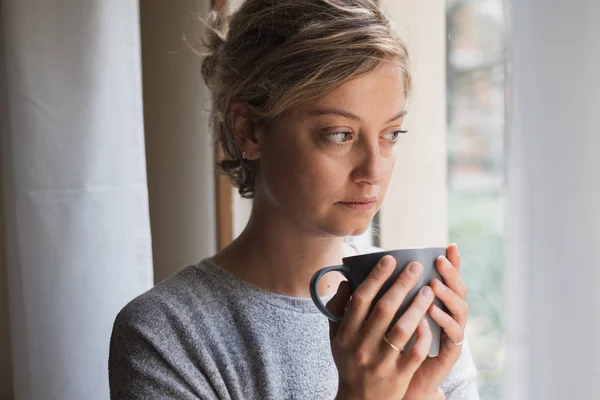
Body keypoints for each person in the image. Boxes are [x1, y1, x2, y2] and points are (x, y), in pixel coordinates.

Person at [108, 1, 479, 399]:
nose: (373, 170)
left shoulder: (407, 310)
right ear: (249, 130)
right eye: (340, 134)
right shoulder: (165, 335)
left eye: (391, 134)